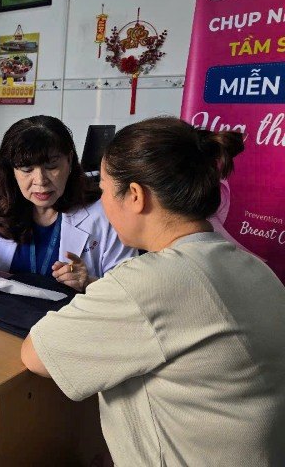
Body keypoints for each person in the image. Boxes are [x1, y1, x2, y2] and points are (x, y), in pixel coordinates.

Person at [22, 117, 285, 465]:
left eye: (103, 188)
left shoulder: (148, 283)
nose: (102, 200)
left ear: (135, 196)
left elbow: (37, 355)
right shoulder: (255, 268)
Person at [0, 115, 134, 294]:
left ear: (69, 161)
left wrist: (88, 282)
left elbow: (130, 290)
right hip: (7, 313)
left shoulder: (104, 214)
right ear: (12, 170)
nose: (40, 180)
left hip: (70, 317)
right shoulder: (0, 205)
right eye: (26, 169)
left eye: (52, 166)